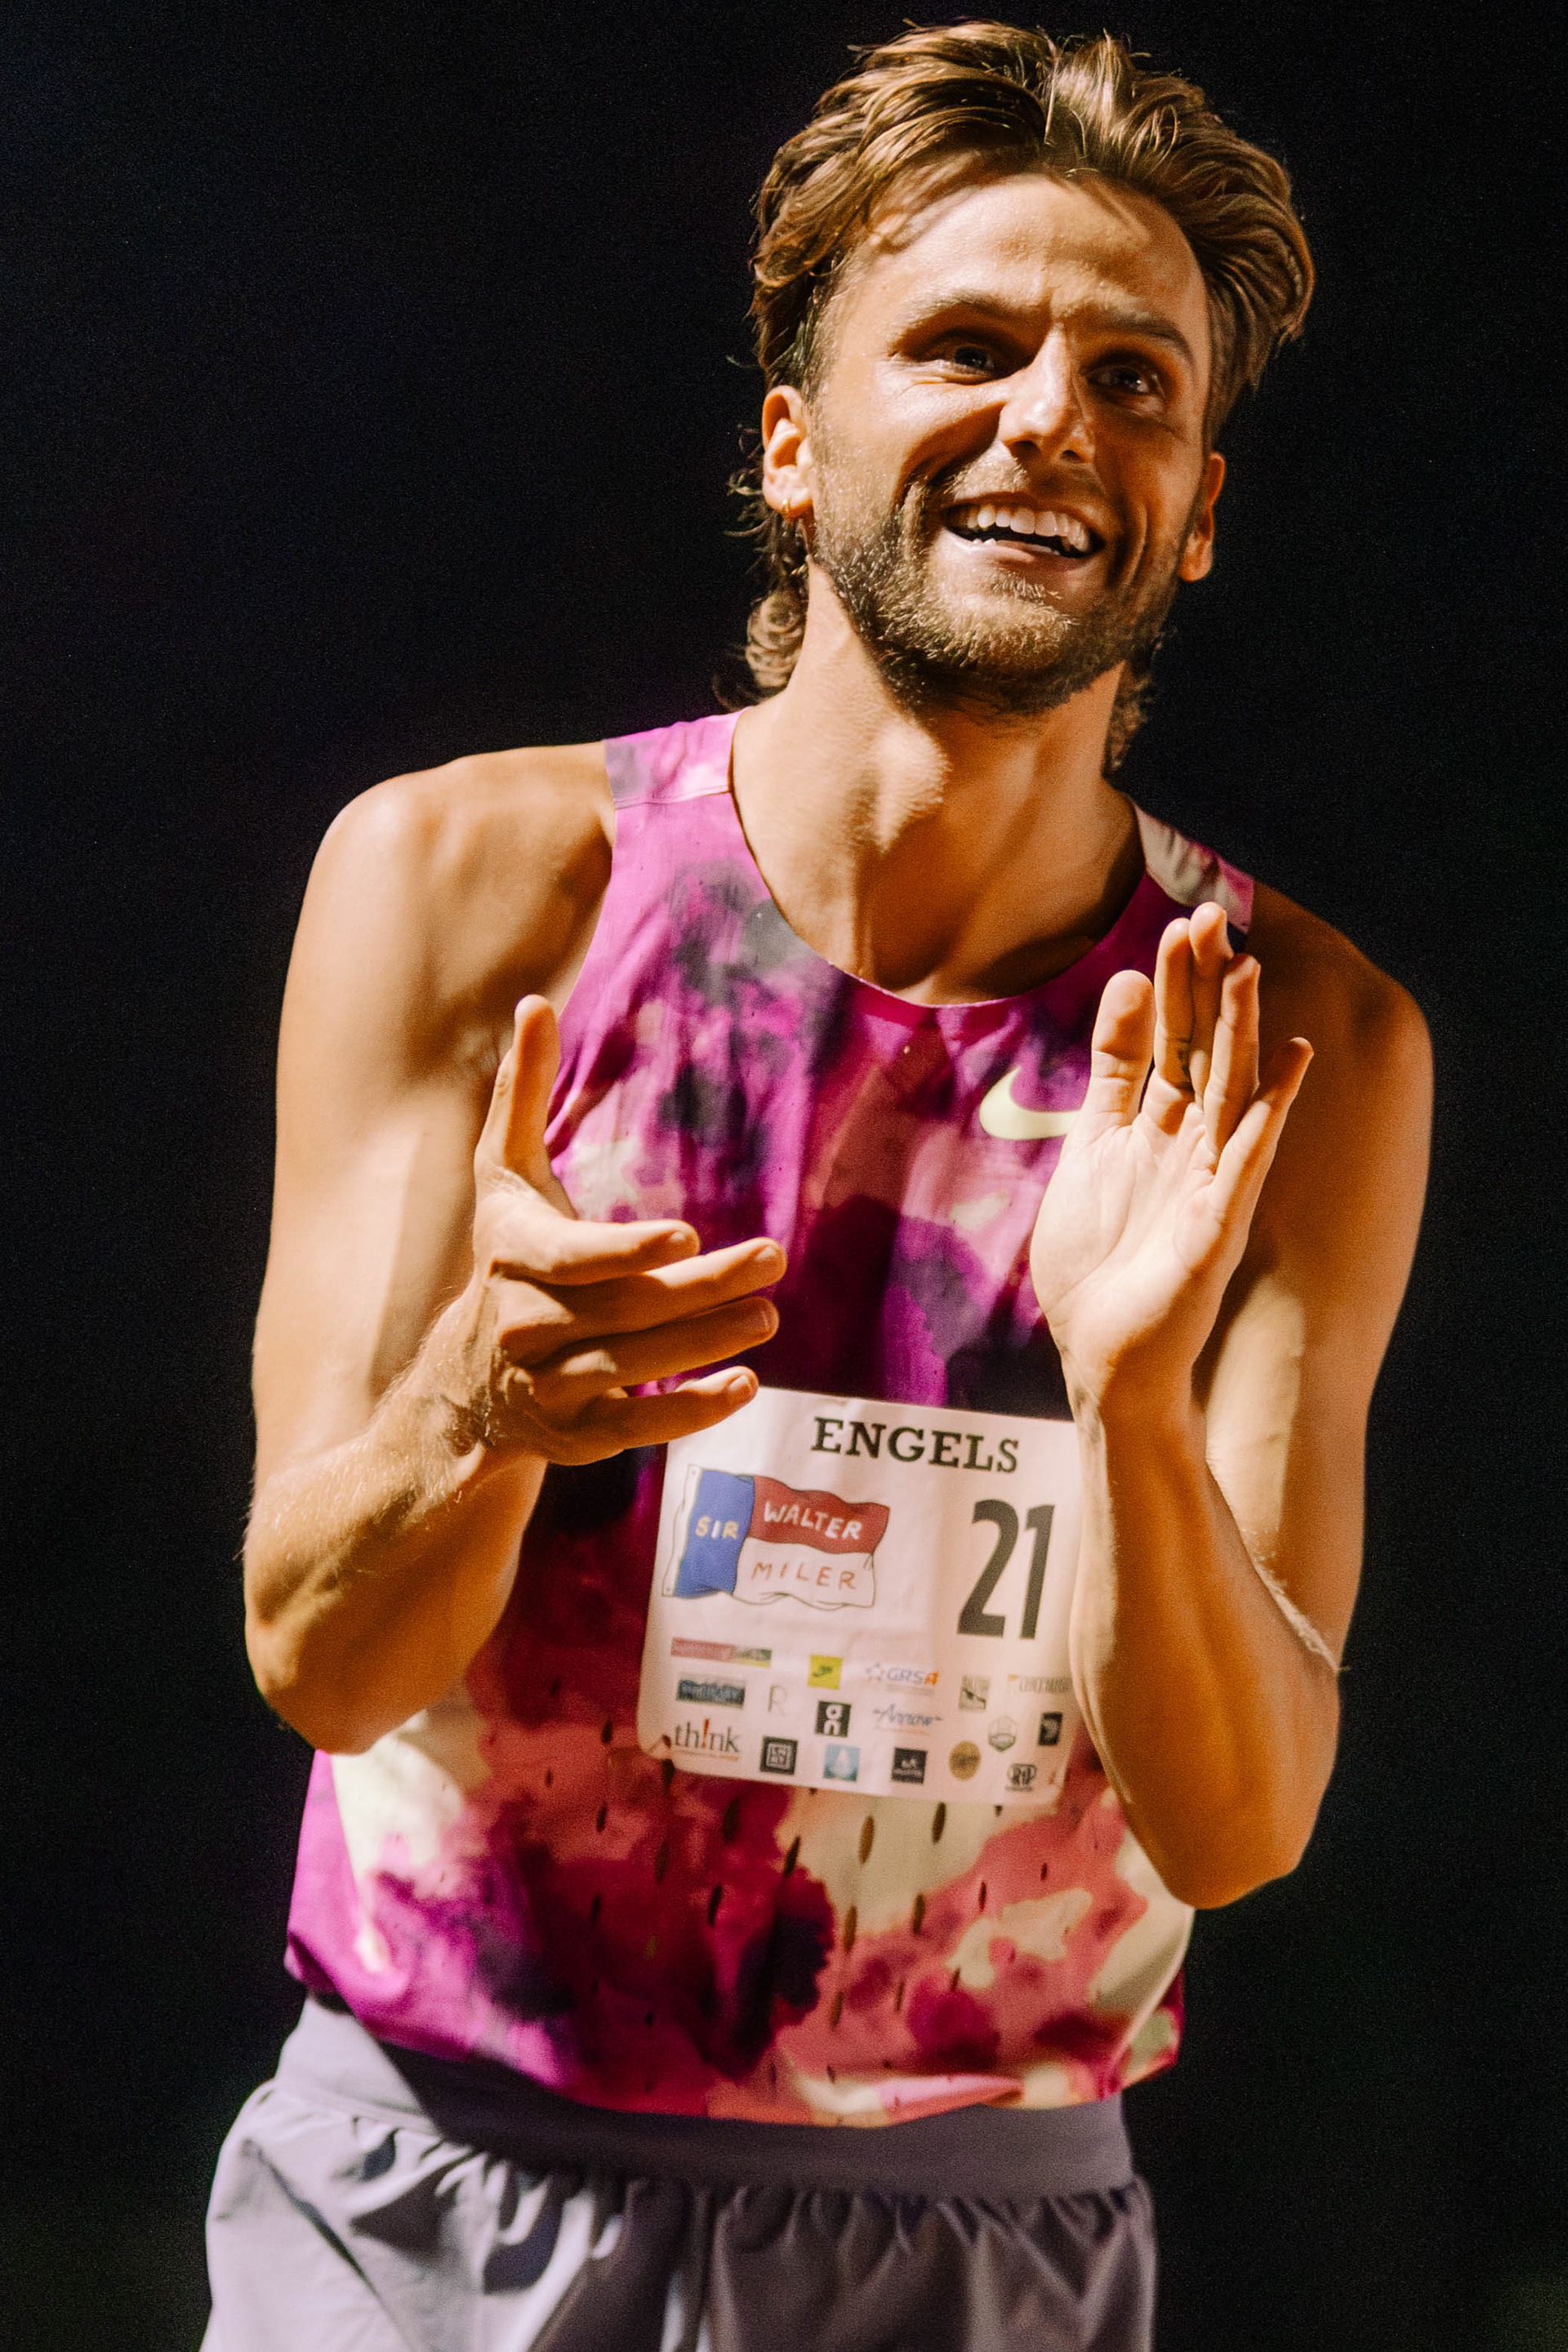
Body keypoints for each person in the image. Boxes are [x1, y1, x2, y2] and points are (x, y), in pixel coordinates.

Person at [203, 24, 1432, 2351]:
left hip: (973, 2233)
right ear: (794, 442)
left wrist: (1134, 1400)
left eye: (1134, 380)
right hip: (436, 2188)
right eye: (965, 345)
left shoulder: (1301, 1039)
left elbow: (1239, 1827)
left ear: (1194, 508)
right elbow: (317, 1661)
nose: (1052, 416)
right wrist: (478, 1407)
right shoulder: (476, 891)